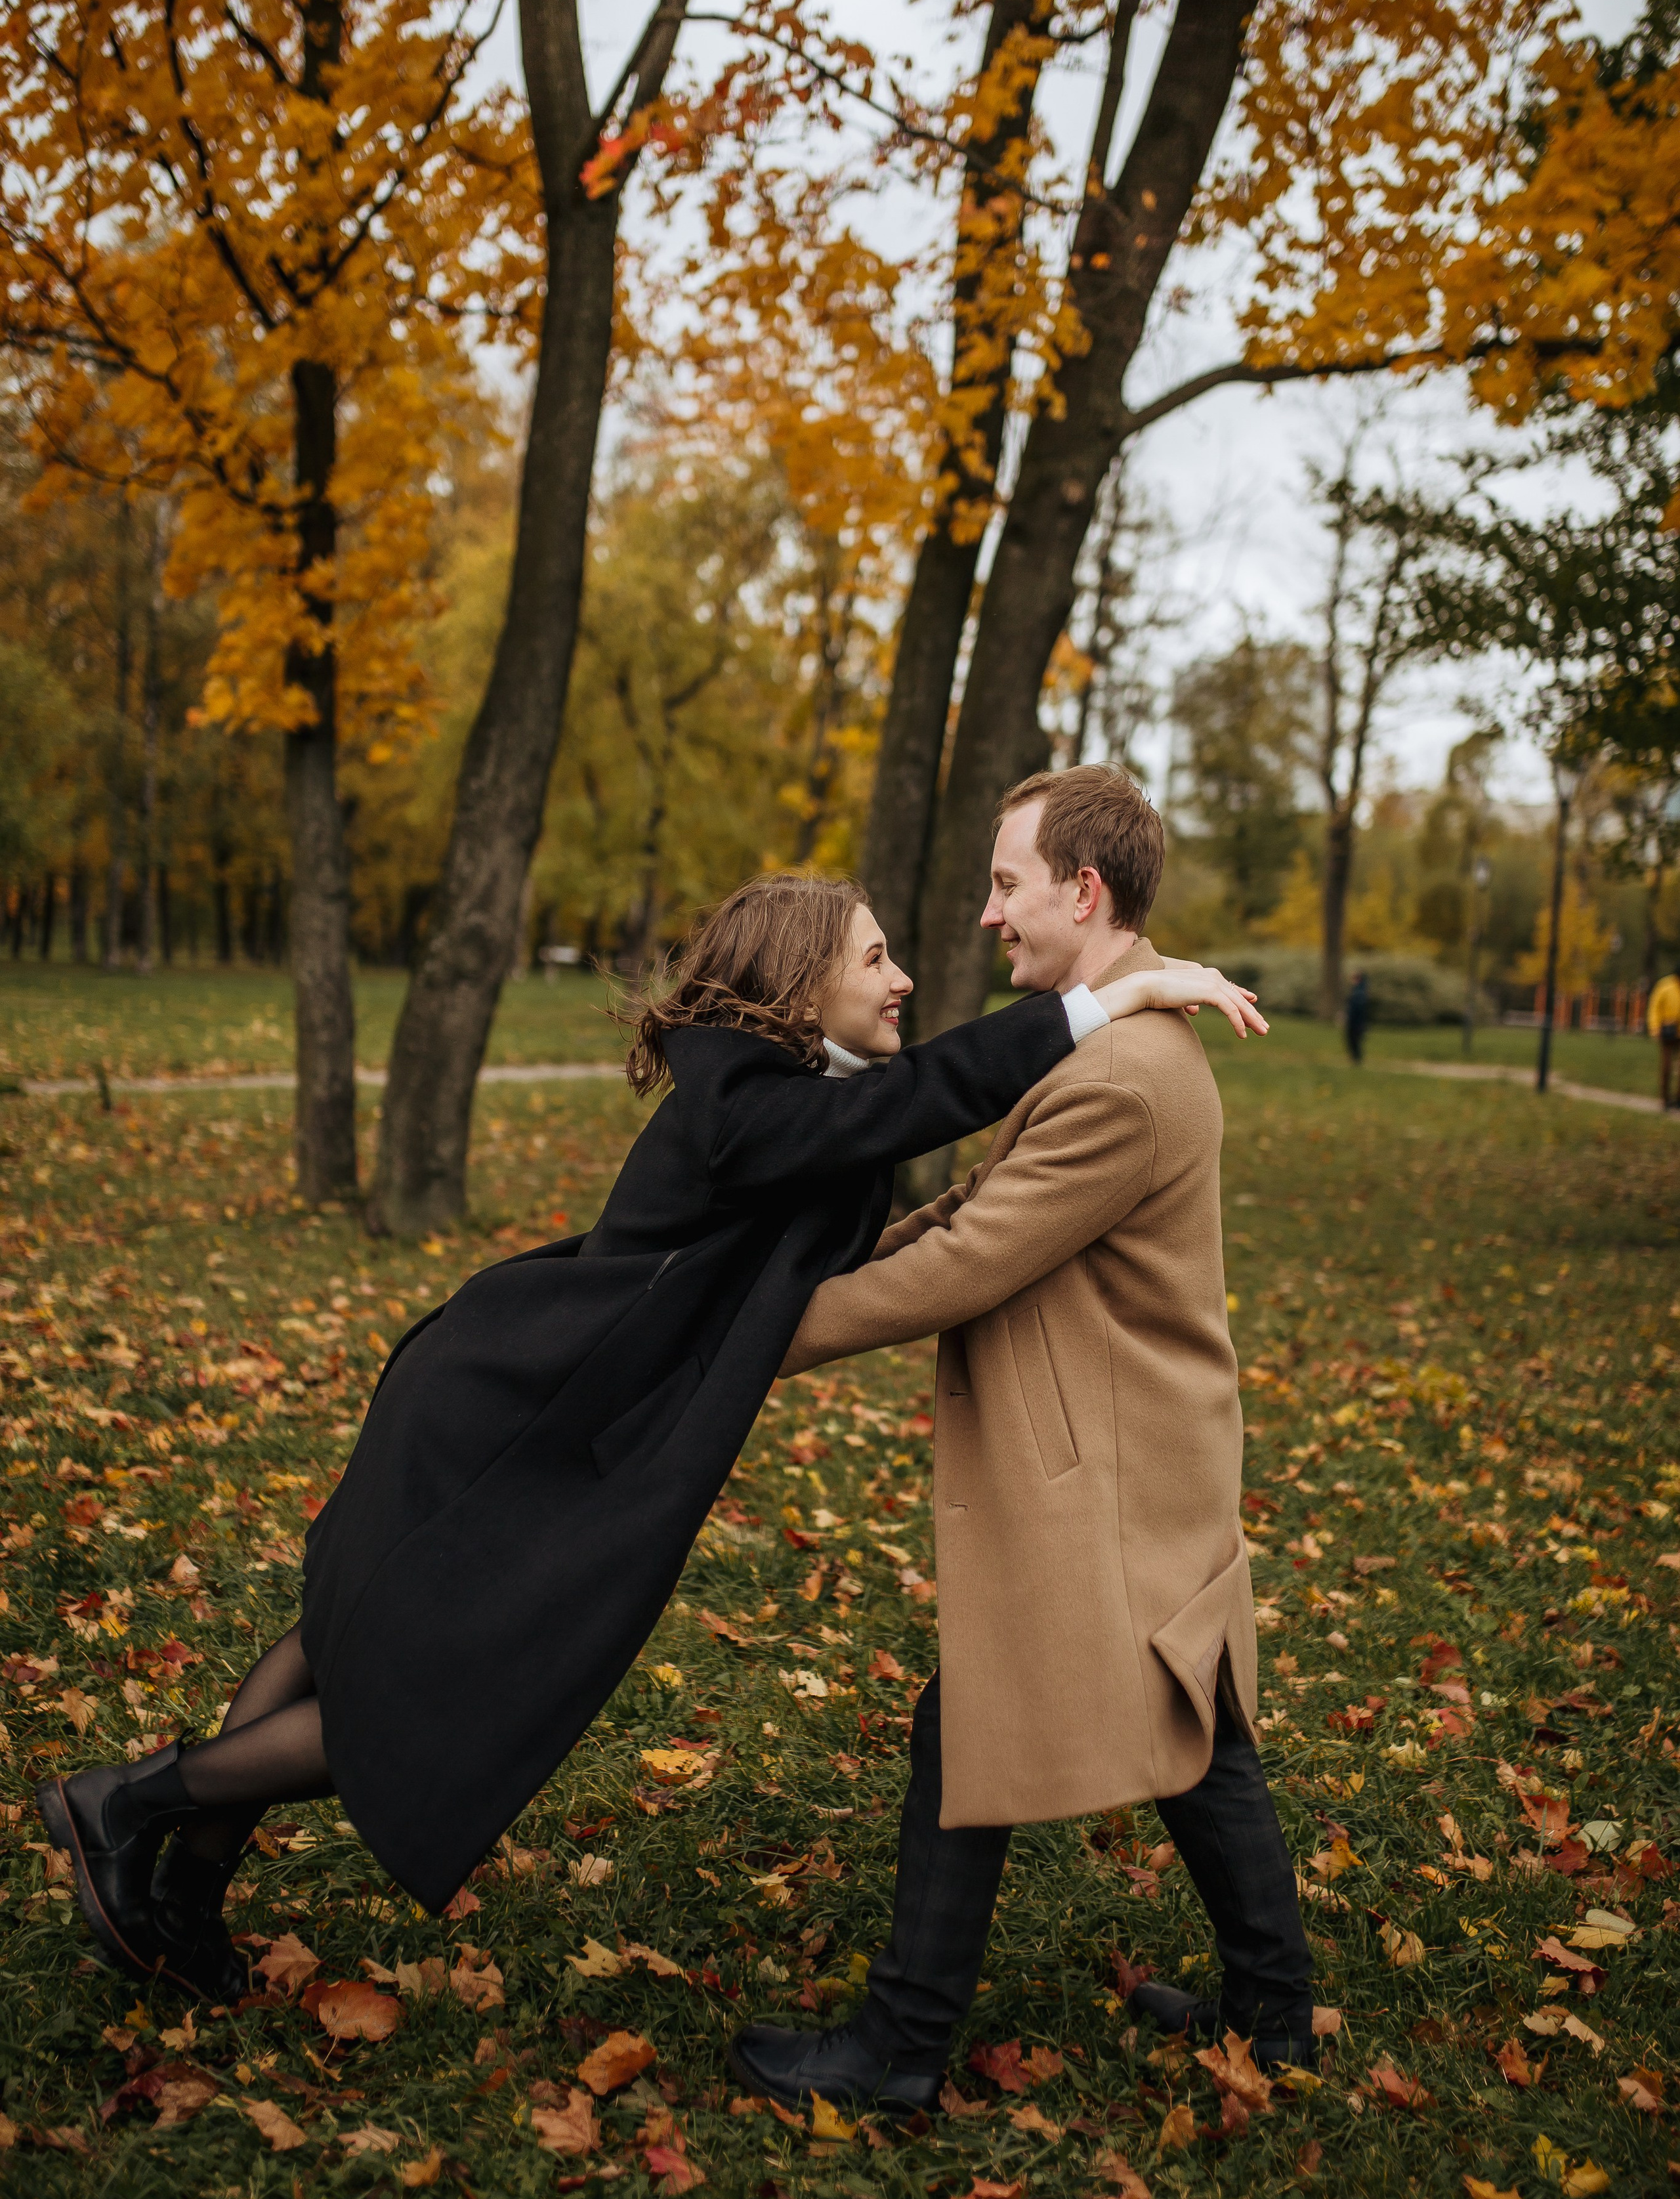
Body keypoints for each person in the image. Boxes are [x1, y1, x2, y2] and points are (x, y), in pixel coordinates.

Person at [40, 870, 1264, 2006]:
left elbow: (871, 1183)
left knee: (346, 1634)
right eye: (875, 959)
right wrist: (1110, 1001)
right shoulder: (752, 1101)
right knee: (437, 1691)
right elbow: (913, 1103)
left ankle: (180, 1899)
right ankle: (129, 1802)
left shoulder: (793, 1097)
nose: (901, 981)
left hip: (536, 1394)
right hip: (532, 1414)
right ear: (801, 986)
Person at [730, 765, 1315, 2121]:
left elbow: (970, 1260)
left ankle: (899, 2050)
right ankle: (1272, 2014)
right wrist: (793, 1288)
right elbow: (968, 1209)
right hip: (1135, 1447)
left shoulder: (1123, 1075)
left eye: (1008, 885)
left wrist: (754, 1338)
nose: (991, 914)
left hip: (1112, 1465)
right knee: (1191, 1724)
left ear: (1083, 890)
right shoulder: (1107, 1041)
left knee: (1013, 1722)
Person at [1648, 969, 1680, 1110]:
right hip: (1667, 1032)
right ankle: (1664, 1098)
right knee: (1666, 1066)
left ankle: (1678, 1099)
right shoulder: (1665, 985)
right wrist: (1655, 1028)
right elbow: (1654, 1008)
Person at [1344, 969, 1370, 1065]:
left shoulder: (1359, 993)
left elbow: (1356, 1008)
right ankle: (1356, 1059)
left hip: (1356, 1022)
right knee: (1354, 1041)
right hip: (1358, 1022)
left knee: (1354, 1041)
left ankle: (1356, 1060)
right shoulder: (1359, 990)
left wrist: (1349, 1017)